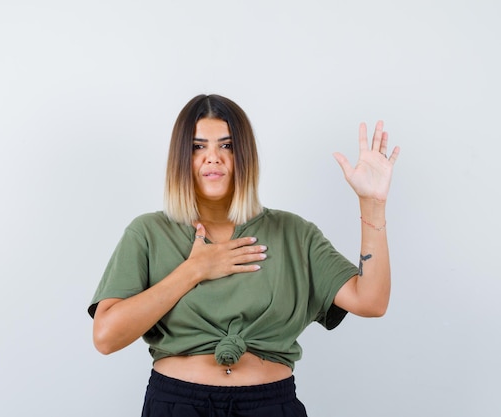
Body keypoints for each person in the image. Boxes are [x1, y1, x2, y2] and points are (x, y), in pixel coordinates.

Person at [88, 94, 400, 417]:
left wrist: (373, 204)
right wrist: (194, 270)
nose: (213, 158)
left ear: (245, 155)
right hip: (177, 405)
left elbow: (371, 301)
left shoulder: (294, 233)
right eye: (198, 147)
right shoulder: (148, 233)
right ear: (180, 157)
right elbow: (106, 336)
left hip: (269, 405)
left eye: (226, 146)